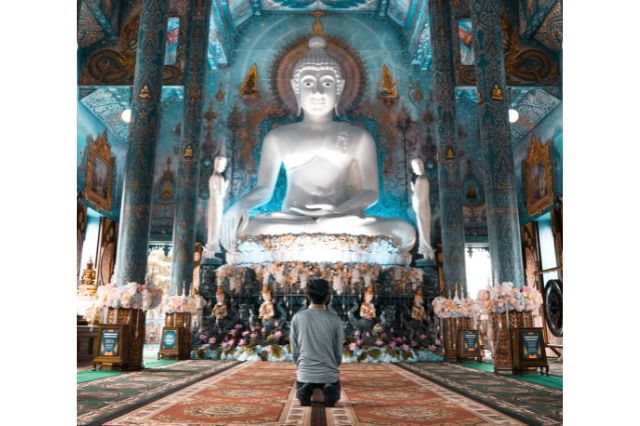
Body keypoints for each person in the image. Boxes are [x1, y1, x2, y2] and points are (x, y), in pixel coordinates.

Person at [220, 36, 415, 254]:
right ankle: (314, 228)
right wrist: (240, 206)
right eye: (309, 83)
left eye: (328, 83)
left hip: (341, 218)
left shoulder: (358, 137)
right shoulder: (277, 137)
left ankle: (317, 229)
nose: (318, 92)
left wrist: (340, 212)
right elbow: (265, 190)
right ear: (296, 87)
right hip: (291, 219)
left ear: (339, 88)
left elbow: (370, 192)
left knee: (404, 232)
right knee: (241, 229)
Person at [290, 278, 344, 407]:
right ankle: (329, 389)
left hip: (305, 371)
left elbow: (294, 351)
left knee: (303, 382)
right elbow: (338, 352)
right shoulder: (335, 319)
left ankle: (305, 389)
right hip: (329, 373)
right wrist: (333, 366)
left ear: (307, 296)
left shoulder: (298, 317)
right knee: (333, 385)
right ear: (327, 297)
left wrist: (301, 366)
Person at [410, 158, 434, 259]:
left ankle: (428, 251)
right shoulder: (420, 179)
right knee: (423, 230)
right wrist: (414, 190)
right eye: (416, 165)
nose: (418, 166)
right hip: (421, 207)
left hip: (422, 207)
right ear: (413, 168)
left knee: (424, 230)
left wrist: (414, 190)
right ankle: (426, 252)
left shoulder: (422, 179)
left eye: (419, 164)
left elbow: (419, 197)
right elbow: (418, 196)